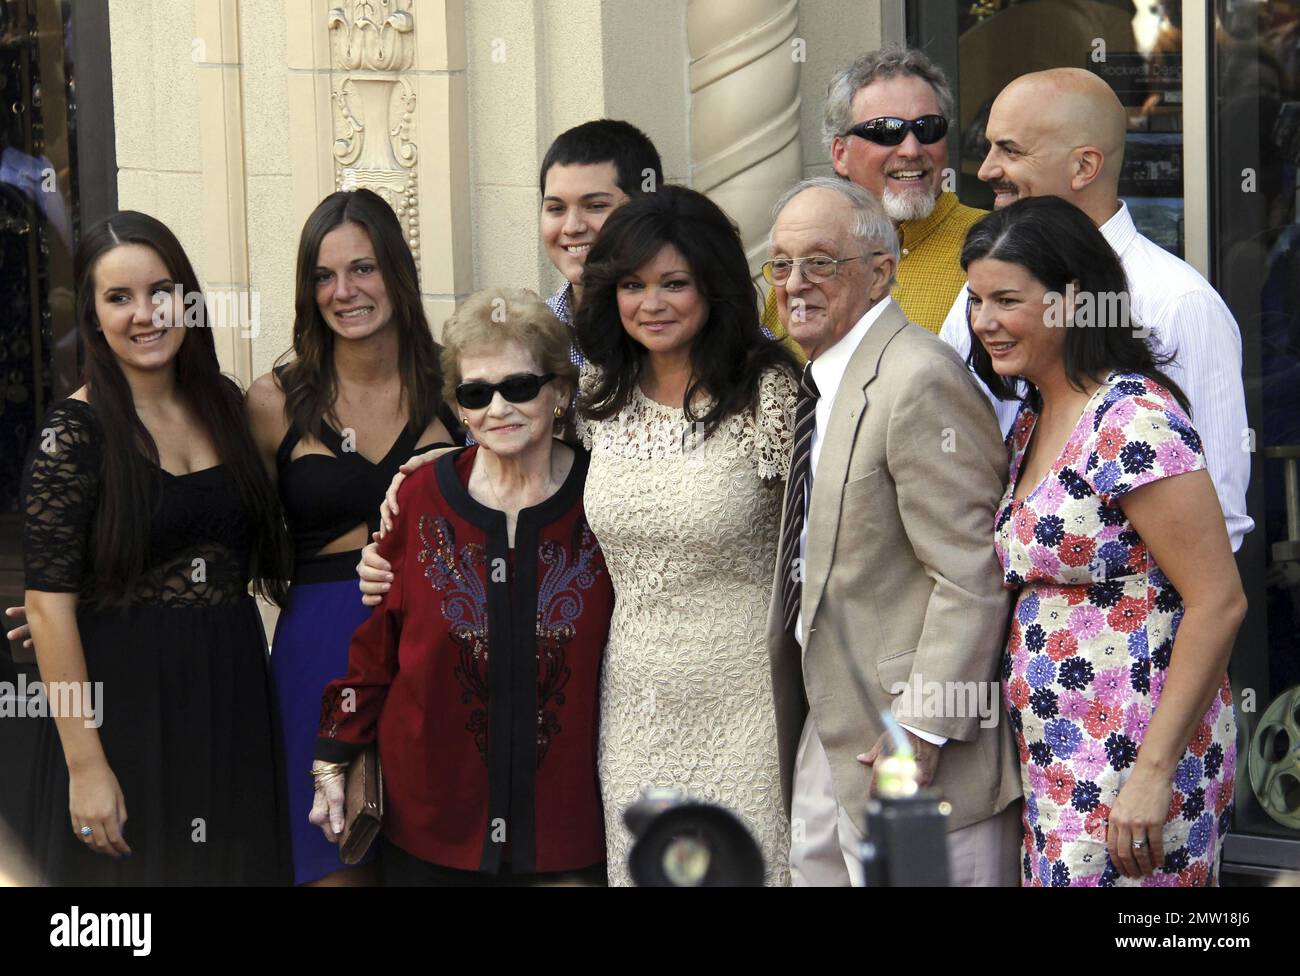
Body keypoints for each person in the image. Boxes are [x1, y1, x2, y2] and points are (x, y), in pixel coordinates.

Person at [363, 186, 802, 886]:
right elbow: (506, 444)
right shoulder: (599, 398)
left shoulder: (769, 393)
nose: (651, 303)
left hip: (744, 698)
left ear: (713, 287)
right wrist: (413, 482)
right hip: (630, 706)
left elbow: (824, 543)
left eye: (674, 283)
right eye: (632, 285)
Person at [963, 196, 1245, 886]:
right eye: (975, 300)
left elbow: (1220, 600)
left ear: (1073, 302)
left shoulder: (1131, 418)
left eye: (1007, 299)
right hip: (1060, 752)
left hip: (1138, 751)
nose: (985, 322)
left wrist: (1152, 774)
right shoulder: (1034, 416)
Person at [766, 177, 1021, 886]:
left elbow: (972, 571)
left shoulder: (917, 377)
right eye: (781, 264)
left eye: (821, 261)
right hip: (833, 733)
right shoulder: (824, 378)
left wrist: (923, 728)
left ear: (881, 272)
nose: (795, 283)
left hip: (916, 751)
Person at [309, 288, 613, 885]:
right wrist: (334, 748)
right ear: (462, 409)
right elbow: (380, 643)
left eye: (519, 386)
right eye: (477, 394)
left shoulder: (604, 499)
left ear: (560, 391)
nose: (499, 407)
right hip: (433, 820)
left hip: (564, 825)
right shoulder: (421, 497)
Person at [22, 211, 291, 884]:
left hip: (232, 703)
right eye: (119, 298)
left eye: (161, 291)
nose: (146, 314)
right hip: (126, 719)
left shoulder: (227, 409)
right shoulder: (73, 434)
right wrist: (86, 766)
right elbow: (48, 607)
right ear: (92, 314)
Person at [938, 67, 1253, 553]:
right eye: (988, 147)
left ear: (1084, 166)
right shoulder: (981, 289)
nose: (986, 170)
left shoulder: (1174, 303)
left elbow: (1218, 520)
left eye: (1010, 150)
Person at [244, 188, 462, 886]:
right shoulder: (273, 402)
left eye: (363, 269)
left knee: (435, 863)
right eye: (323, 276)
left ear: (397, 271)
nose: (344, 292)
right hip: (318, 656)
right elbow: (217, 530)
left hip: (436, 654)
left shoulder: (460, 390)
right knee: (332, 864)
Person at [761, 45, 986, 337]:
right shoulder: (800, 261)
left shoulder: (994, 245)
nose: (911, 149)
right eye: (886, 130)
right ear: (840, 153)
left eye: (927, 128)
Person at [538, 118, 664, 356]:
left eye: (595, 206)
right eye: (556, 208)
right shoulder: (530, 335)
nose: (572, 227)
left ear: (647, 207)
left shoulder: (678, 325)